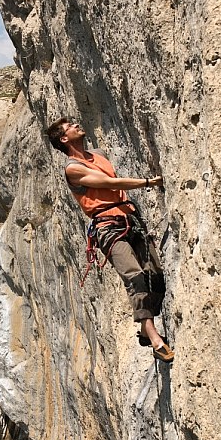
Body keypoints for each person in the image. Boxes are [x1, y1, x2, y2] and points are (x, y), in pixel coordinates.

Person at [47, 116, 174, 363]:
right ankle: (155, 337)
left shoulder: (99, 155)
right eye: (70, 126)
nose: (76, 125)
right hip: (107, 228)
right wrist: (147, 182)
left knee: (155, 276)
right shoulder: (72, 169)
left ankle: (145, 329)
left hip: (130, 219)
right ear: (64, 138)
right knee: (135, 277)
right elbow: (109, 183)